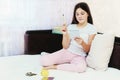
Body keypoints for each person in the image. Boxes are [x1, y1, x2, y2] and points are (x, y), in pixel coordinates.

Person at [40, 2, 97, 73]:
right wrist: (65, 34)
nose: (79, 16)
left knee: (81, 68)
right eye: (77, 14)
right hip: (68, 52)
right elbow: (65, 46)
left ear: (87, 14)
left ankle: (55, 66)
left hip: (79, 56)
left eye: (82, 13)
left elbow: (88, 50)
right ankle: (49, 56)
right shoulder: (71, 27)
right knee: (43, 61)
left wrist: (82, 43)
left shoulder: (92, 28)